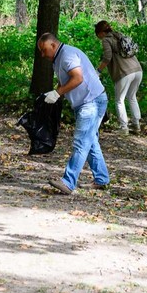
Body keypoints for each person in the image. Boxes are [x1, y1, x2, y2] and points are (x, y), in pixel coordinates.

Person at [37, 33, 110, 195]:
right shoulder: (58, 58)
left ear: (53, 46)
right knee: (90, 141)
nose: (43, 55)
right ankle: (102, 179)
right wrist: (56, 93)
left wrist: (58, 93)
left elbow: (77, 78)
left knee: (81, 141)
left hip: (91, 101)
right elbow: (65, 80)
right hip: (87, 101)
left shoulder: (67, 55)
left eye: (44, 50)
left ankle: (68, 182)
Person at [94, 20, 143, 135]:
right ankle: (136, 125)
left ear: (101, 32)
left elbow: (107, 57)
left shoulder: (106, 39)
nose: (98, 37)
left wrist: (98, 71)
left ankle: (123, 128)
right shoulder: (119, 35)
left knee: (119, 100)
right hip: (138, 70)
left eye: (97, 34)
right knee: (132, 97)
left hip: (125, 72)